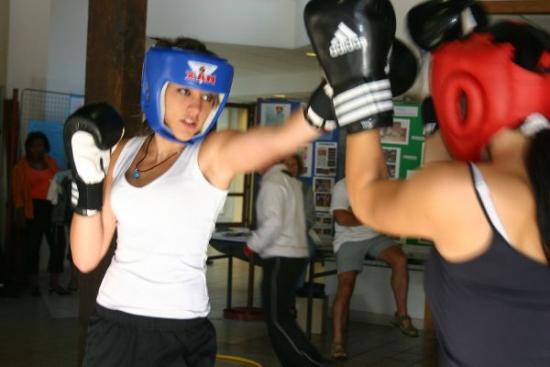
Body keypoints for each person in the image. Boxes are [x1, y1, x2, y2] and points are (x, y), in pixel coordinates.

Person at [305, 0, 550, 365]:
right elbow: (440, 168)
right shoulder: (474, 190)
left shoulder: (465, 194)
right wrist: (444, 68)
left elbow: (368, 198)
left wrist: (356, 86)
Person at [65, 37, 330, 367]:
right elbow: (86, 257)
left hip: (177, 329)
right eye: (185, 91)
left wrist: (330, 96)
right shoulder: (123, 151)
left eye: (207, 96)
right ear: (157, 87)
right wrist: (87, 184)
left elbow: (279, 138)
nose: (197, 108)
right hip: (112, 322)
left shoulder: (211, 154)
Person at [245, 160, 331, 367]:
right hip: (294, 253)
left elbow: (273, 222)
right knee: (282, 316)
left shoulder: (273, 183)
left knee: (277, 318)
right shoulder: (290, 181)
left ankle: (309, 363)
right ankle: (310, 360)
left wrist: (252, 244)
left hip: (281, 255)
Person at [329, 177, 417, 359]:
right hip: (349, 240)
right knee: (346, 286)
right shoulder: (343, 185)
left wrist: (373, 220)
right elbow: (342, 217)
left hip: (375, 236)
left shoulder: (379, 184)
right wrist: (371, 218)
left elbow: (387, 215)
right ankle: (337, 342)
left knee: (400, 259)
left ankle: (401, 316)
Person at [12, 131, 70, 296]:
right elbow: (17, 195)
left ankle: (55, 283)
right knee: (32, 248)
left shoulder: (50, 162)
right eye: (34, 145)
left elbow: (59, 182)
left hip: (52, 209)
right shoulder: (20, 167)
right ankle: (34, 286)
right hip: (32, 211)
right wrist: (20, 215)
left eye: (41, 145)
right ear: (28, 147)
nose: (38, 149)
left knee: (58, 245)